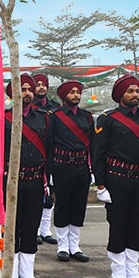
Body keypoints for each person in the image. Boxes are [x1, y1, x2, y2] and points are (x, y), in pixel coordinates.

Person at [5, 74, 52, 278]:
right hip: (12, 182)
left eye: (29, 89)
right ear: (12, 93)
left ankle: (28, 275)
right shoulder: (3, 118)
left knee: (31, 227)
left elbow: (49, 152)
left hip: (35, 180)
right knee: (13, 230)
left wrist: (48, 181)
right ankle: (11, 275)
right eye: (22, 89)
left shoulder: (43, 118)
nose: (27, 93)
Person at [93, 74, 139, 278]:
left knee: (136, 227)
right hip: (117, 179)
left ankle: (134, 273)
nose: (134, 95)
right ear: (120, 95)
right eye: (130, 91)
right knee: (118, 225)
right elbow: (98, 153)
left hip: (137, 180)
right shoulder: (108, 119)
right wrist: (100, 185)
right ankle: (119, 274)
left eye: (137, 91)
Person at [50, 80, 94, 263]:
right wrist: (50, 171)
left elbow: (93, 144)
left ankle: (74, 246)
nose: (76, 95)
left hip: (81, 166)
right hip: (62, 166)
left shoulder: (87, 116)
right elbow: (49, 144)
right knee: (62, 205)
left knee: (78, 206)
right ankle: (62, 246)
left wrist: (92, 169)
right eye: (72, 92)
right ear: (64, 96)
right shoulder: (54, 117)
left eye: (78, 92)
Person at [33, 73, 60, 245]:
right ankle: (34, 230)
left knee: (50, 193)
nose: (41, 87)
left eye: (44, 84)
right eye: (38, 84)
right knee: (35, 195)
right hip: (35, 153)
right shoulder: (28, 107)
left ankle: (45, 230)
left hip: (53, 153)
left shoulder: (55, 107)